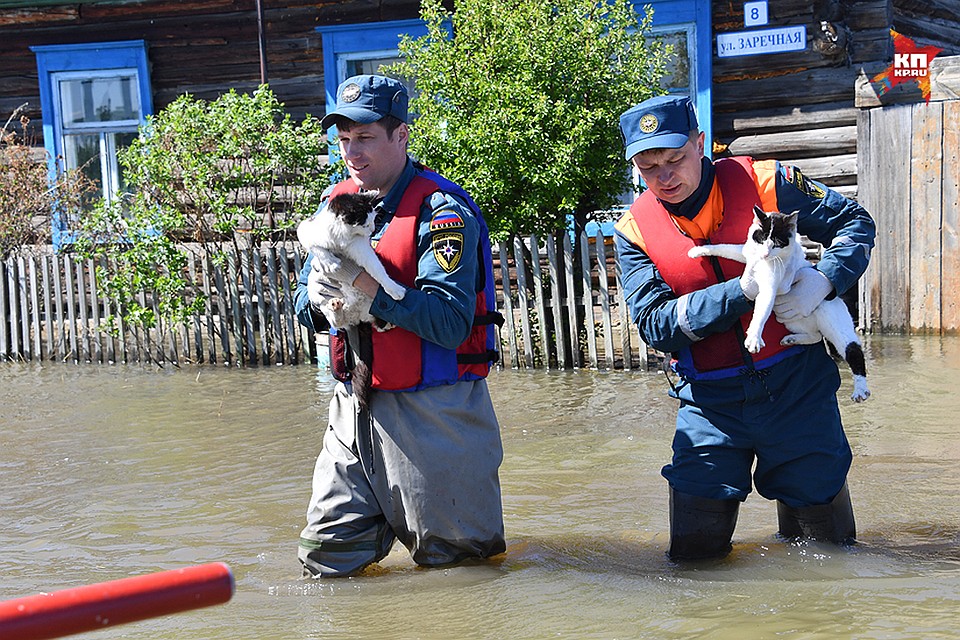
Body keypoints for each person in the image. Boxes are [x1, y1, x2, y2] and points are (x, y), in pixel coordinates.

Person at [614, 95, 876, 561]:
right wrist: (744, 290)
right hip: (709, 402)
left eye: (675, 158)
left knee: (829, 559)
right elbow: (655, 326)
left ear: (700, 144)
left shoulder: (769, 183)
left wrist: (826, 280)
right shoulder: (633, 230)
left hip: (798, 390)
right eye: (648, 166)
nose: (665, 177)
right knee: (693, 561)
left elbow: (855, 222)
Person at [294, 74, 506, 577]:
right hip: (353, 402)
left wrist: (365, 289)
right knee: (325, 559)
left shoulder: (443, 211)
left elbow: (451, 324)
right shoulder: (336, 204)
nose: (353, 152)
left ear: (401, 136)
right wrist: (317, 300)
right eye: (344, 139)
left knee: (460, 573)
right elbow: (303, 305)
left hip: (435, 410)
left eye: (366, 137)